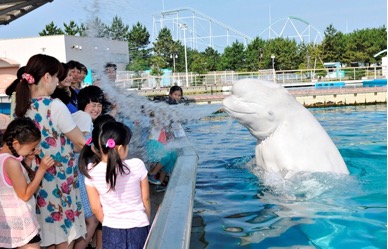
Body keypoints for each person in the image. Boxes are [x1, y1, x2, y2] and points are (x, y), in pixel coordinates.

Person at [14, 54, 87, 249]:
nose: (57, 82)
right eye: (56, 77)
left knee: (47, 235)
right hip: (60, 179)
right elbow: (80, 142)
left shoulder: (21, 107)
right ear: (46, 77)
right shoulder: (55, 106)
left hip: (35, 179)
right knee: (65, 235)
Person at [81, 121, 151, 249]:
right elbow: (145, 199)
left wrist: (108, 222)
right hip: (139, 226)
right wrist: (145, 220)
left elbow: (95, 207)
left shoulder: (91, 171)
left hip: (111, 228)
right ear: (119, 148)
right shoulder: (137, 165)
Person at [0, 117, 55, 249]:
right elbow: (24, 194)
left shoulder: (6, 159)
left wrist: (28, 161)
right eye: (32, 147)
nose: (33, 150)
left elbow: (15, 183)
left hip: (8, 225)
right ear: (16, 143)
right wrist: (42, 169)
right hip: (21, 226)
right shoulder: (12, 163)